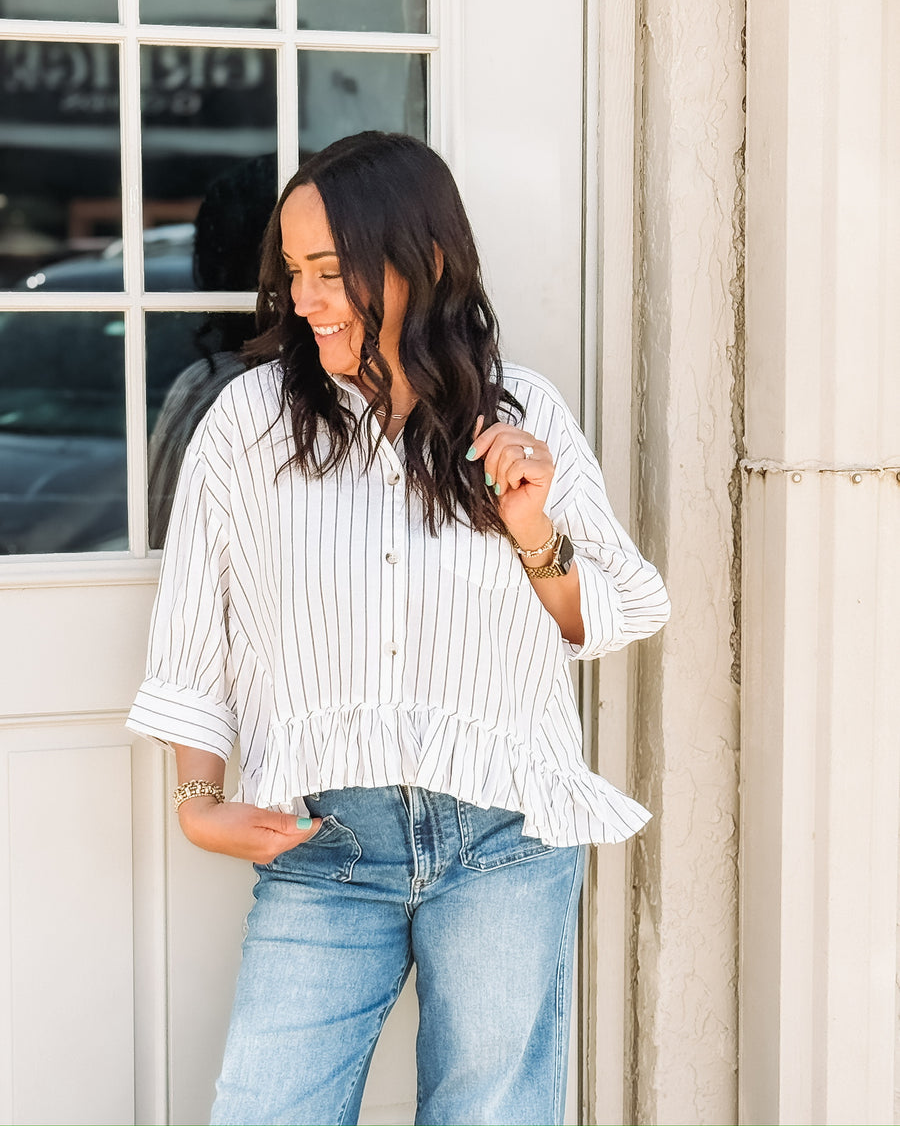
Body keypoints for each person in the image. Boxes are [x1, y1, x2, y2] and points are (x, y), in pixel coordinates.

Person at [125, 131, 670, 1126]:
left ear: (423, 262)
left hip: (505, 840)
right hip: (327, 843)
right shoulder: (249, 426)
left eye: (331, 272)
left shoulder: (520, 416)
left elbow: (612, 615)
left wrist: (529, 523)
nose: (306, 300)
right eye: (294, 274)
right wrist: (198, 799)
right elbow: (196, 632)